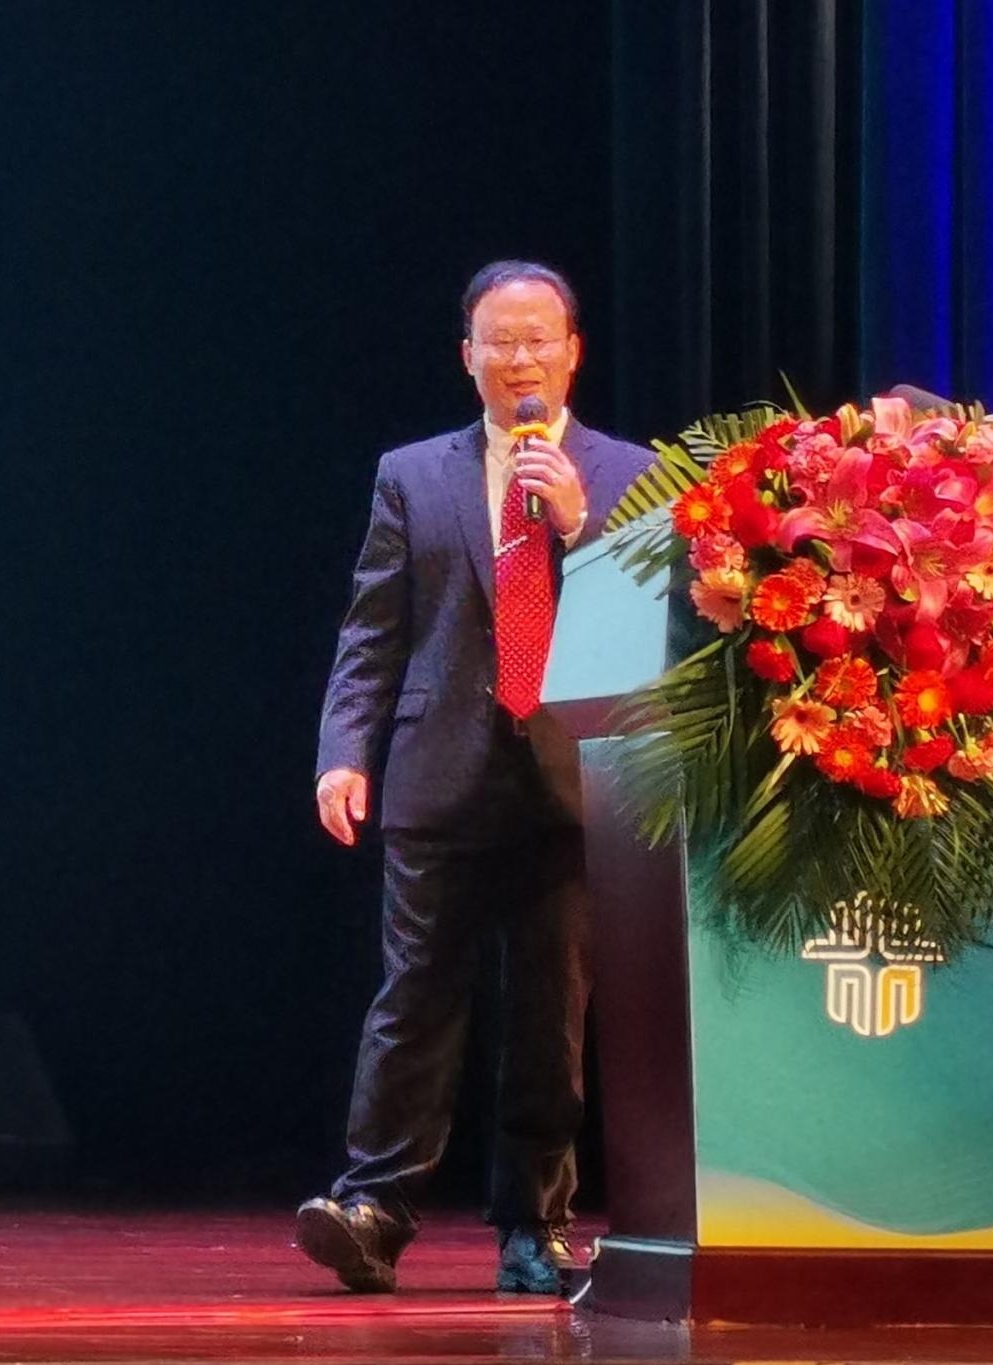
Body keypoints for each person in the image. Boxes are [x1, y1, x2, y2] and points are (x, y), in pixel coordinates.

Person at [301, 261, 653, 1295]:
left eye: (538, 339)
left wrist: (581, 524)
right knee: (413, 998)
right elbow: (373, 629)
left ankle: (532, 1227)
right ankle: (373, 1208)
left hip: (571, 778)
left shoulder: (633, 474)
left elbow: (654, 618)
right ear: (468, 356)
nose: (520, 359)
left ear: (572, 352)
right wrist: (342, 751)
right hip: (440, 768)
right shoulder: (413, 474)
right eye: (500, 341)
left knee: (551, 1015)